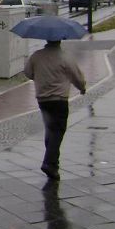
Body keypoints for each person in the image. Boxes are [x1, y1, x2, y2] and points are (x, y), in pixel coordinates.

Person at [24, 40, 87, 180]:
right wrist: (82, 87)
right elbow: (76, 76)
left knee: (50, 129)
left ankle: (53, 164)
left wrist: (40, 75)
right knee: (58, 130)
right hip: (59, 99)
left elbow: (28, 73)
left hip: (43, 99)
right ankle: (49, 162)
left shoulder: (36, 56)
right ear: (59, 41)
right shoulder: (65, 57)